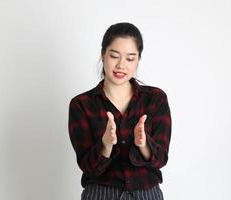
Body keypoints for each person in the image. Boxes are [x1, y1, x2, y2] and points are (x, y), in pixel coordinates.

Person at [68, 22, 172, 200]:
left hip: (146, 194)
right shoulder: (81, 104)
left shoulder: (156, 99)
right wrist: (106, 144)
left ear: (138, 59)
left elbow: (160, 160)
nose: (121, 65)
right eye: (114, 56)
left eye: (130, 58)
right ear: (103, 55)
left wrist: (144, 144)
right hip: (100, 194)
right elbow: (88, 167)